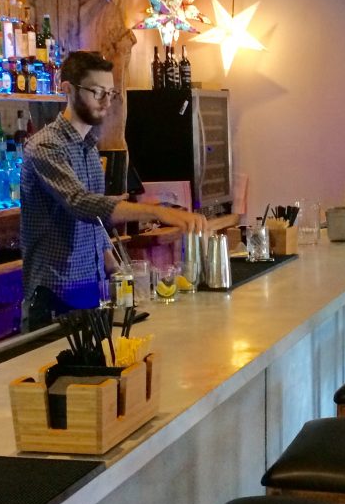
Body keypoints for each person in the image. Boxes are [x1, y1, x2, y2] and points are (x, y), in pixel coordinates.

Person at [21, 50, 207, 330]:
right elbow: (82, 204)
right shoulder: (45, 146)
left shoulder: (89, 146)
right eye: (97, 92)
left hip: (89, 289)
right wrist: (158, 212)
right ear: (68, 89)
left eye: (110, 93)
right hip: (53, 295)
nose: (106, 102)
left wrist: (118, 269)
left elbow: (94, 223)